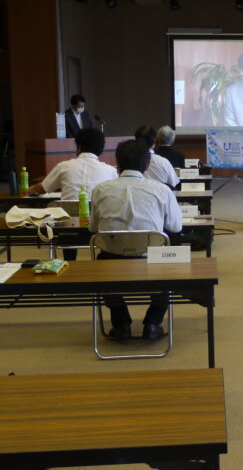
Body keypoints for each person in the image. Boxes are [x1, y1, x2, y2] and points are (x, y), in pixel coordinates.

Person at [89, 139, 183, 340]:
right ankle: (153, 323)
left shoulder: (100, 190)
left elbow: (93, 229)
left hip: (111, 264)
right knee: (173, 258)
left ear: (118, 163)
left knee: (101, 260)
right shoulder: (162, 190)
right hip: (152, 262)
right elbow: (176, 227)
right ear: (147, 165)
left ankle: (121, 323)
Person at [27, 127, 117, 260]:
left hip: (66, 231)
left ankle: (69, 261)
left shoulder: (64, 166)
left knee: (67, 221)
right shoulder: (110, 171)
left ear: (78, 146)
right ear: (101, 149)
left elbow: (42, 188)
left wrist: (27, 190)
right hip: (99, 230)